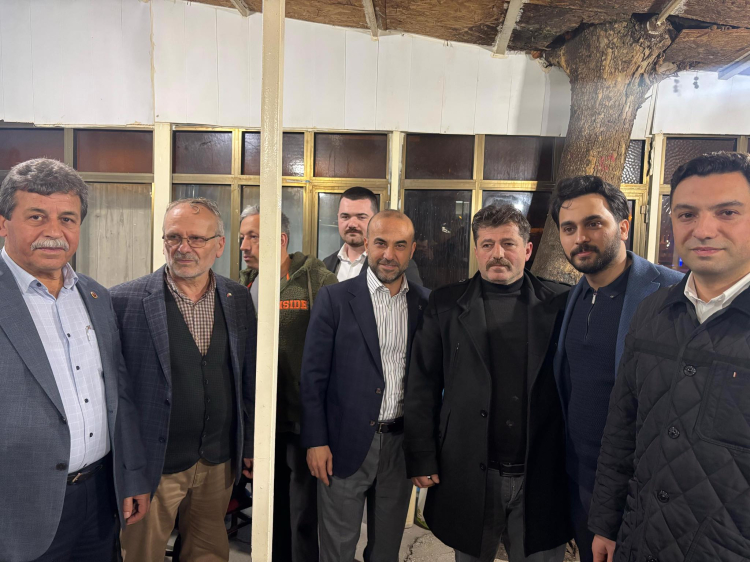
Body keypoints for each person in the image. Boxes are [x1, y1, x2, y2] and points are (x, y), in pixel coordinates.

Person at [588, 152, 750, 562]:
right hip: (640, 538)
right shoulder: (653, 311)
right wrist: (606, 523)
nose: (703, 230)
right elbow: (622, 429)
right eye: (687, 214)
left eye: (727, 212)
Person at [0, 158, 150, 562]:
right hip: (17, 508)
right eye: (36, 216)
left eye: (67, 219)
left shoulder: (97, 297)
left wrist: (131, 475)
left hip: (99, 499)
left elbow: (119, 396)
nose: (54, 232)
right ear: (3, 224)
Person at [404, 204, 571, 562]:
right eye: (487, 244)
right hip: (469, 470)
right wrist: (421, 456)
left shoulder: (561, 303)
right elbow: (421, 385)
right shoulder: (445, 304)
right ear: (477, 250)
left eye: (508, 244)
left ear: (527, 250)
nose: (498, 253)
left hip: (541, 473)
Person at [112, 198, 257, 562]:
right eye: (173, 237)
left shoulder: (237, 298)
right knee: (140, 554)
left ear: (219, 245)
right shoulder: (124, 301)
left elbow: (248, 378)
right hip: (154, 465)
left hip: (217, 461)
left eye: (196, 239)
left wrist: (250, 444)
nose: (183, 248)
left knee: (208, 552)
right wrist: (129, 469)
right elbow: (117, 398)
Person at [550, 176, 683, 562]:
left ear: (623, 227)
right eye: (569, 228)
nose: (580, 238)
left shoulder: (672, 293)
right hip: (580, 478)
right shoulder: (573, 296)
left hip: (641, 487)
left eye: (594, 223)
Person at [301, 210, 430, 562]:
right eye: (381, 243)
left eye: (400, 245)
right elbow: (312, 377)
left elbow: (431, 381)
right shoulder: (334, 299)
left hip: (400, 447)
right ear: (367, 245)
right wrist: (315, 441)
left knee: (386, 550)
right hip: (342, 444)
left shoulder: (426, 303)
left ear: (412, 249)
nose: (389, 254)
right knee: (337, 549)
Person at [239, 204, 337, 562]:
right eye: (242, 237)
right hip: (261, 422)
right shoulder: (245, 285)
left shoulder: (318, 282)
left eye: (254, 236)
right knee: (269, 510)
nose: (244, 245)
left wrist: (321, 430)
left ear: (280, 240)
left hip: (300, 422)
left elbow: (335, 355)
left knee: (302, 515)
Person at [322, 186, 422, 285]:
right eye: (345, 217)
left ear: (376, 219)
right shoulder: (326, 264)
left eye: (361, 217)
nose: (352, 224)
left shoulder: (396, 264)